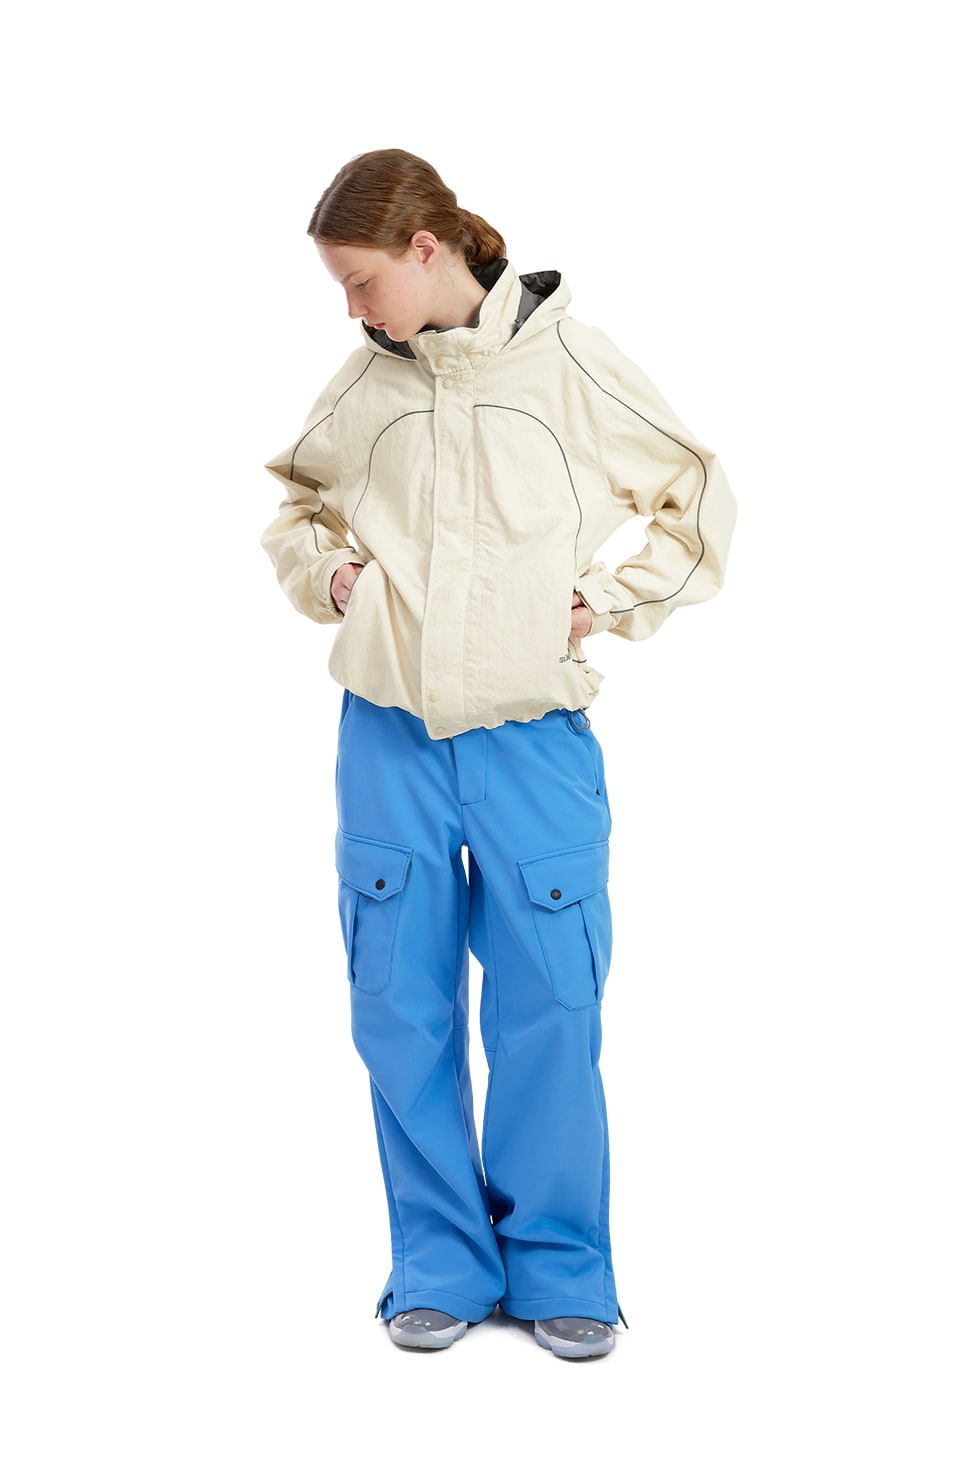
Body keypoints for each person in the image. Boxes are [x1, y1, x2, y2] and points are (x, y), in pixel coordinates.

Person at [261, 149, 736, 1359]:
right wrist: (333, 578)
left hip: (533, 742)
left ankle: (563, 1265)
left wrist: (603, 602)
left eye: (360, 281)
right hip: (389, 737)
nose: (351, 309)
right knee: (399, 1007)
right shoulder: (365, 385)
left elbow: (694, 495)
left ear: (425, 250)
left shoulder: (571, 365)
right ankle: (436, 1262)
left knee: (550, 1006)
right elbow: (295, 506)